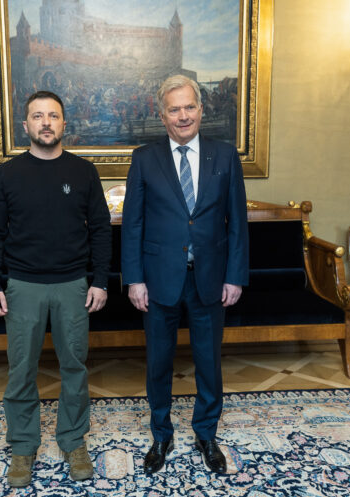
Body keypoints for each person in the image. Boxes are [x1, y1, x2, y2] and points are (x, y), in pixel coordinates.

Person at [0, 90, 111, 488]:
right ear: (26, 125)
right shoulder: (7, 174)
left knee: (74, 367)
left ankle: (73, 441)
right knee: (22, 370)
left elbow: (102, 229)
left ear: (64, 124)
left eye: (53, 116)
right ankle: (23, 446)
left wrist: (101, 280)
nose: (46, 123)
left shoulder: (84, 172)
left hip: (73, 285)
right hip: (23, 287)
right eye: (38, 116)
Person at [121, 75, 249, 475]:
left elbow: (237, 224)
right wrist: (134, 279)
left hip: (210, 278)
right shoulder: (144, 158)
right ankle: (161, 435)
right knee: (158, 363)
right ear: (162, 116)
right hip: (158, 280)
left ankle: (206, 434)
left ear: (201, 110)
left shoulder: (225, 156)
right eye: (173, 109)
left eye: (189, 107)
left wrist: (235, 276)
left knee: (208, 363)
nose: (182, 116)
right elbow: (133, 225)